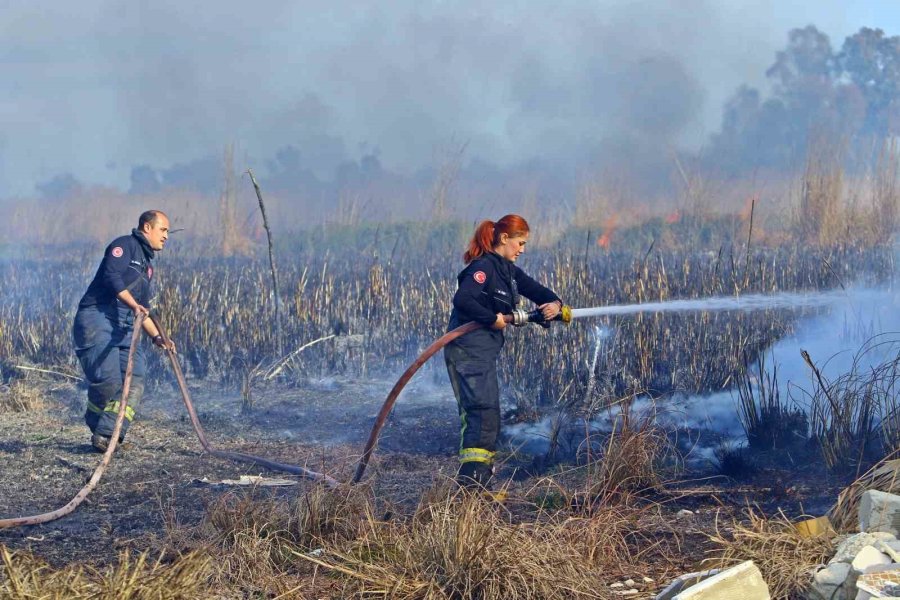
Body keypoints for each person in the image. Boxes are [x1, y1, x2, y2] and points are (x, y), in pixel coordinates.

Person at [445, 214, 562, 487]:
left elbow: (539, 291)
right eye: (519, 243)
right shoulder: (484, 267)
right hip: (466, 350)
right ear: (504, 238)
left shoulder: (508, 271)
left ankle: (479, 482)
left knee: (489, 416)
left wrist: (555, 304)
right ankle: (471, 486)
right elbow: (463, 299)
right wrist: (491, 318)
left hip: (482, 354)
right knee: (481, 413)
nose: (522, 249)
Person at [73, 210, 175, 452]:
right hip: (98, 316)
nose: (167, 236)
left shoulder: (147, 267)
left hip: (125, 324)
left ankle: (108, 435)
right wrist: (132, 304)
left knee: (136, 378)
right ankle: (97, 421)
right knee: (109, 380)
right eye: (163, 230)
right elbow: (111, 277)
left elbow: (144, 309)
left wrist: (159, 337)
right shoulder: (124, 246)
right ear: (147, 228)